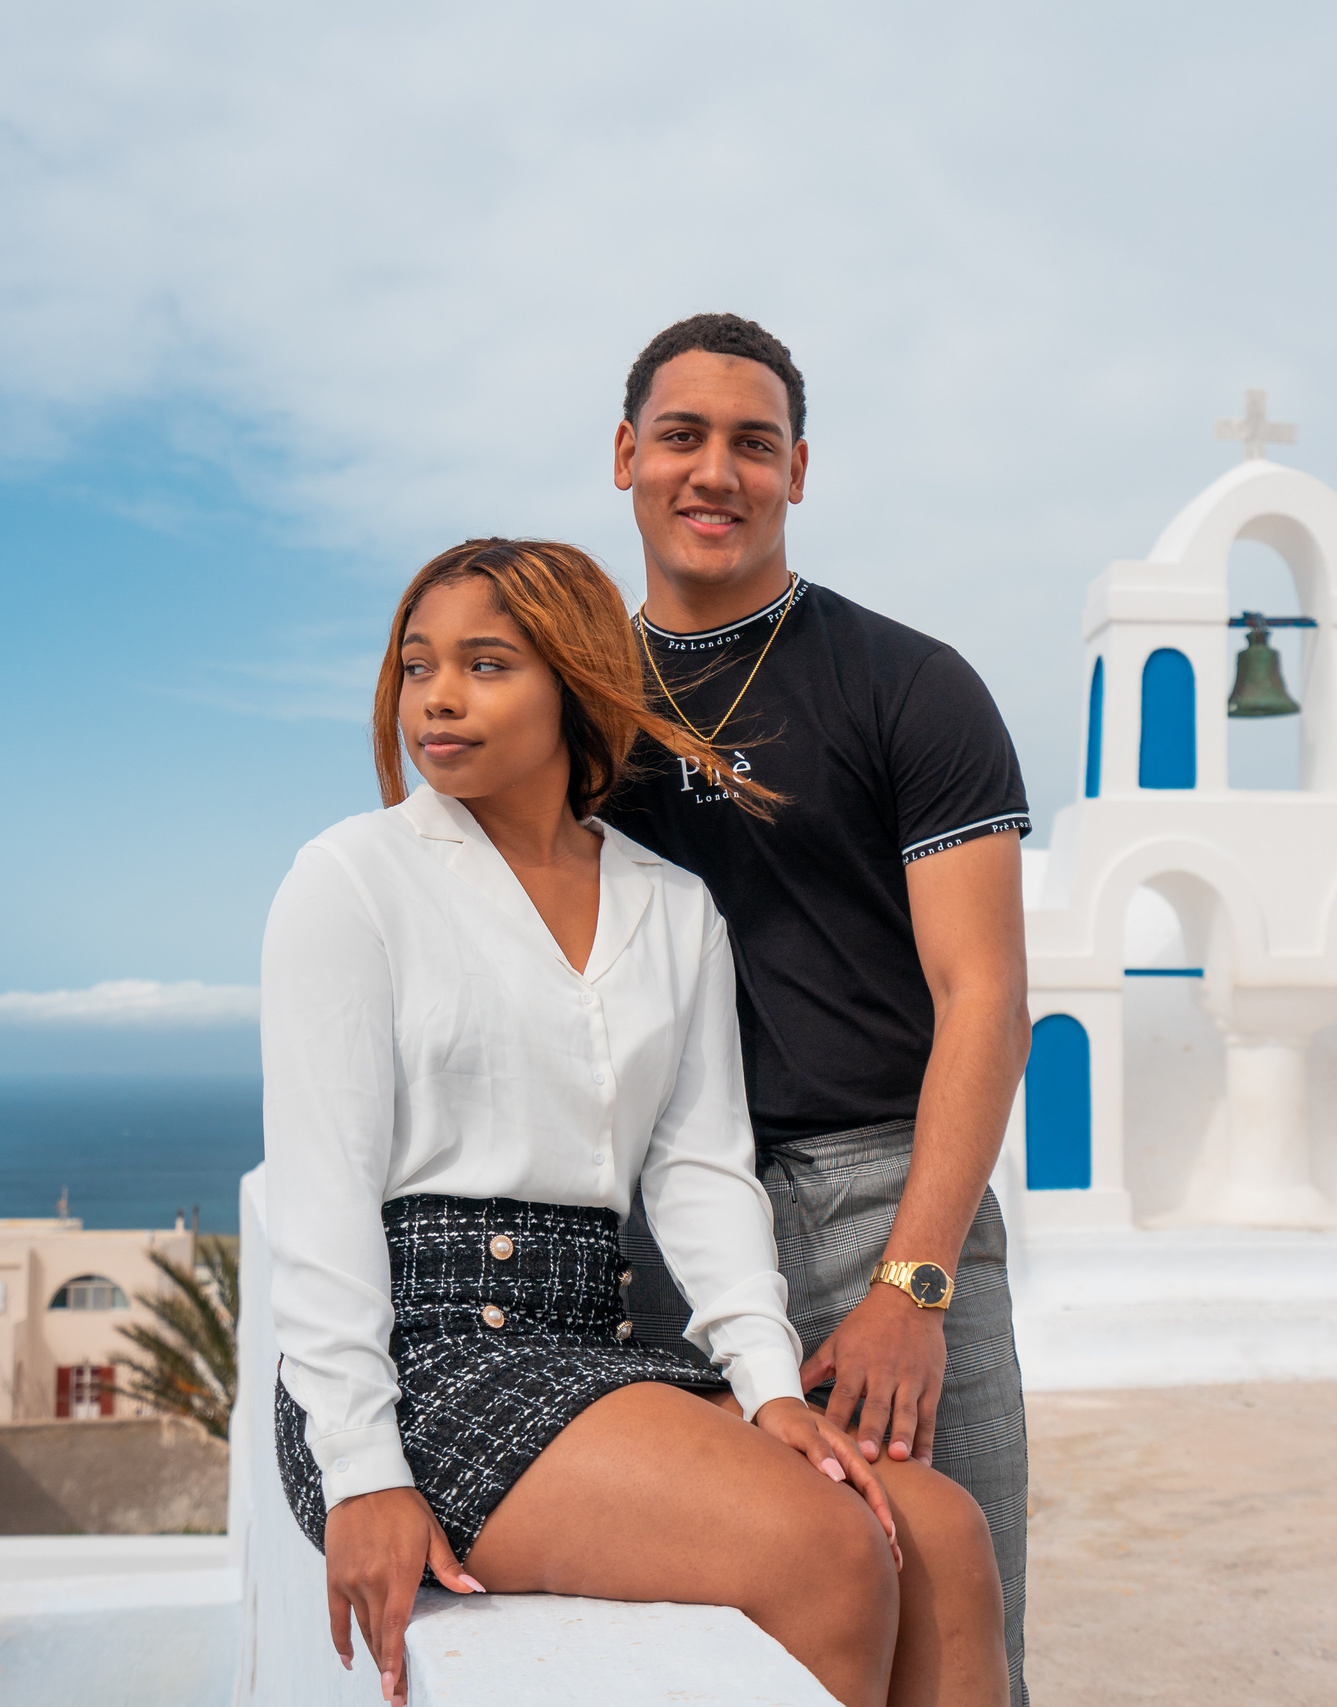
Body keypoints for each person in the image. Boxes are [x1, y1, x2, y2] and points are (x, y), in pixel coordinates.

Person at [262, 538, 1007, 1707]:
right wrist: (360, 1470)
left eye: (486, 665)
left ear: (575, 684)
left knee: (944, 1536)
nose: (438, 698)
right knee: (824, 1552)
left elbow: (702, 1173)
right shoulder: (353, 877)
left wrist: (770, 1390)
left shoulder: (672, 905)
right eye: (417, 666)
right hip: (424, 1369)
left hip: (596, 1347)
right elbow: (322, 1194)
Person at [602, 314, 1038, 1705]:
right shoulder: (576, 703)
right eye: (682, 436)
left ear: (797, 470)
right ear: (625, 455)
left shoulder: (910, 682)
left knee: (959, 1648)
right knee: (727, 1661)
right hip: (661, 1225)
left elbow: (985, 994)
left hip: (885, 1205)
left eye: (754, 443)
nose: (715, 471)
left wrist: (915, 1284)